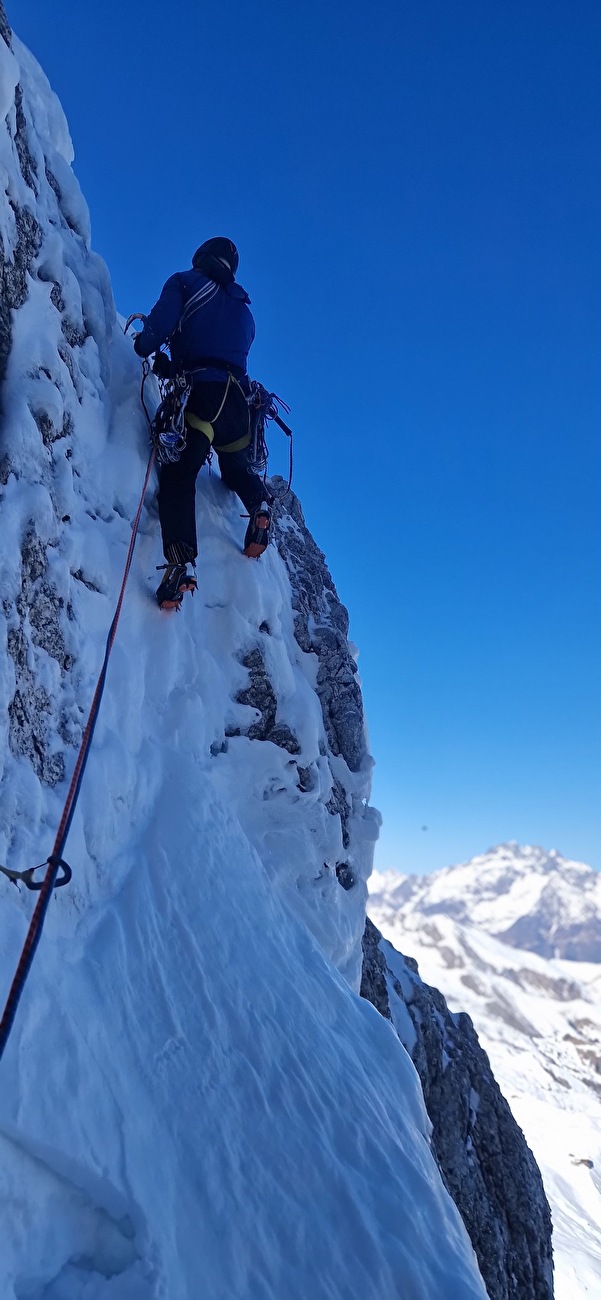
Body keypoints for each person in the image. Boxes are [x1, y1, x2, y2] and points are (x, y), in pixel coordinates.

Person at [133, 237, 270, 610]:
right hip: (238, 405)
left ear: (202, 257)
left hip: (202, 397)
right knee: (234, 468)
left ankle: (181, 564)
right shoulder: (246, 312)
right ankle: (259, 504)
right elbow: (226, 349)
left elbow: (157, 331)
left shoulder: (185, 282)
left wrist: (144, 347)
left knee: (179, 475)